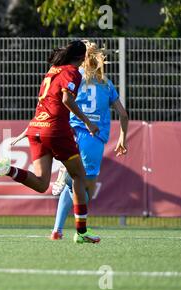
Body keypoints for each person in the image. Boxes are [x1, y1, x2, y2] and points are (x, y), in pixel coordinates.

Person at [0, 40, 101, 244]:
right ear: (82, 58)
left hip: (36, 128)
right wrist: (88, 122)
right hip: (56, 129)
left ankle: (8, 170)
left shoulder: (52, 70)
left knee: (41, 183)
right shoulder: (72, 72)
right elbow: (66, 100)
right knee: (79, 176)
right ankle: (81, 232)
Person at [49, 41, 129, 240]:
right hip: (92, 136)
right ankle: (81, 231)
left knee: (76, 185)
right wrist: (122, 138)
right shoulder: (106, 83)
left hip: (71, 130)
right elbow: (123, 115)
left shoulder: (75, 77)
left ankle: (57, 231)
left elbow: (62, 100)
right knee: (85, 188)